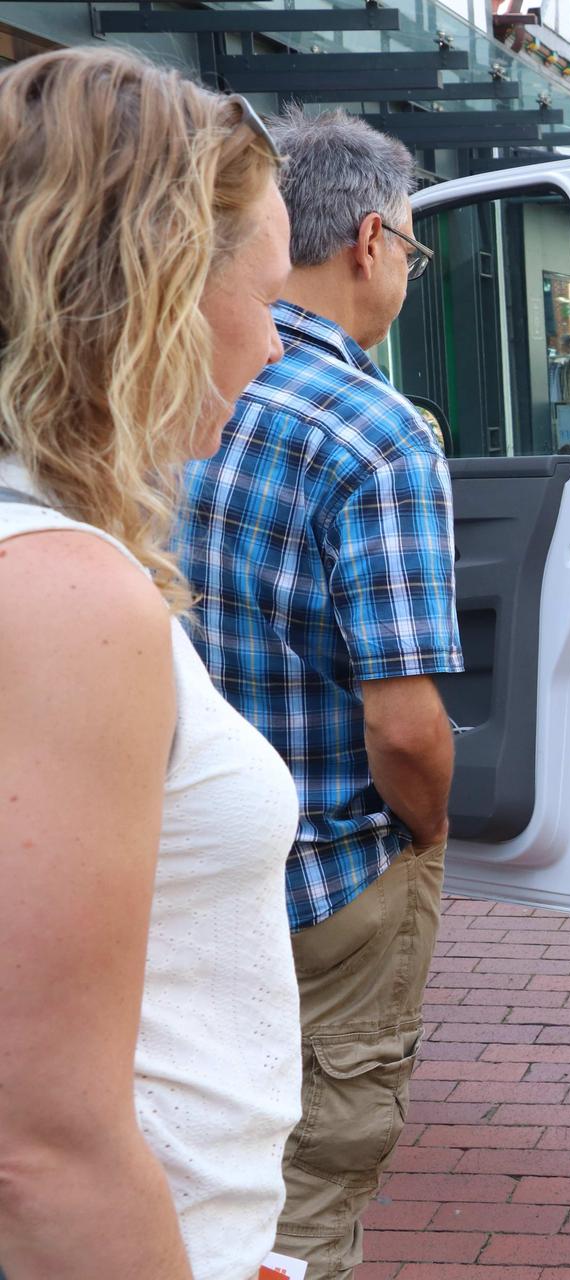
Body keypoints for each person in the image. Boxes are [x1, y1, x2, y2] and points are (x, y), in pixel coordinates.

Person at [0, 49, 299, 1279]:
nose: (277, 345)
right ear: (157, 283)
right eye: (268, 293)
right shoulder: (66, 593)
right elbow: (41, 1145)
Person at [176, 108, 462, 1278]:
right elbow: (404, 721)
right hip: (332, 868)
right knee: (309, 1183)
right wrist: (428, 829)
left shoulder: (161, 389)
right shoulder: (377, 430)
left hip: (180, 862)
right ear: (372, 239)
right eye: (413, 250)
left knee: (197, 1151)